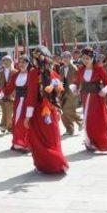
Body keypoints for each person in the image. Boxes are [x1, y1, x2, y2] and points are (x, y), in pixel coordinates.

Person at [21, 46, 68, 174]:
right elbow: (58, 92)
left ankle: (45, 164)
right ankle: (58, 163)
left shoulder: (33, 73)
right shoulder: (52, 72)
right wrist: (58, 109)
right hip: (51, 110)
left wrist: (28, 116)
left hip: (38, 112)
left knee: (38, 140)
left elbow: (31, 95)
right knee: (52, 138)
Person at [73, 47, 107, 153]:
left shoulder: (98, 69)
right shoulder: (80, 70)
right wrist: (75, 89)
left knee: (98, 120)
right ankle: (89, 141)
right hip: (85, 97)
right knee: (87, 119)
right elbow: (76, 82)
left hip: (96, 98)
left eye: (87, 58)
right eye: (83, 58)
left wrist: (104, 90)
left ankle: (100, 143)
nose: (85, 61)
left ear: (92, 58)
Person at [2, 56, 37, 151]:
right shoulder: (16, 75)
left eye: (24, 62)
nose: (21, 64)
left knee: (24, 122)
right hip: (17, 101)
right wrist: (1, 94)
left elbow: (33, 91)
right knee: (16, 121)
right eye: (20, 62)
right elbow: (9, 87)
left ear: (28, 63)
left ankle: (26, 144)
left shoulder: (31, 74)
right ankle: (17, 142)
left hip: (27, 101)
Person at [59, 51, 82, 136]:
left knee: (67, 110)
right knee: (63, 112)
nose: (65, 59)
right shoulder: (61, 69)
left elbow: (79, 80)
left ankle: (80, 121)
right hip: (63, 92)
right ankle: (69, 129)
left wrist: (78, 90)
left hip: (72, 93)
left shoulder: (74, 68)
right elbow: (61, 80)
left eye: (67, 57)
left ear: (70, 58)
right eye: (63, 57)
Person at [0, 55, 16, 134]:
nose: (6, 62)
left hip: (12, 94)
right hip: (2, 95)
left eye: (8, 60)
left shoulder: (15, 71)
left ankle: (5, 126)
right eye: (4, 61)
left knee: (8, 111)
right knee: (5, 111)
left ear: (11, 62)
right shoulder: (0, 73)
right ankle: (7, 126)